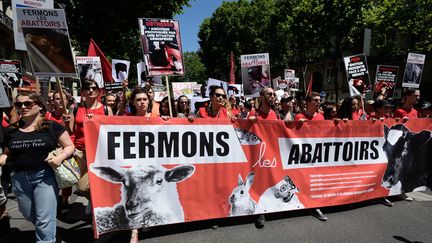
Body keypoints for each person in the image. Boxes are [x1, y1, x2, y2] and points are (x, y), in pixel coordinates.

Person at [0, 93, 74, 243]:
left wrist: (60, 157)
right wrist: (4, 156)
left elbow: (69, 146)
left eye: (27, 103)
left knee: (44, 220)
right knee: (29, 214)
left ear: (39, 105)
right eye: (19, 105)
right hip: (19, 179)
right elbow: (9, 149)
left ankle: (47, 238)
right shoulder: (11, 130)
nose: (23, 107)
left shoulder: (52, 126)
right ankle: (51, 235)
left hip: (45, 177)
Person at [67, 80, 112, 214]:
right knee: (81, 186)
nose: (91, 90)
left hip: (100, 151)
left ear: (98, 91)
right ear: (83, 92)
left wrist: (97, 121)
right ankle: (94, 200)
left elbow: (111, 130)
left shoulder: (106, 109)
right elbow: (70, 131)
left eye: (94, 88)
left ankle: (98, 205)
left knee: (101, 181)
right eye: (87, 88)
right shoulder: (75, 108)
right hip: (80, 151)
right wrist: (66, 122)